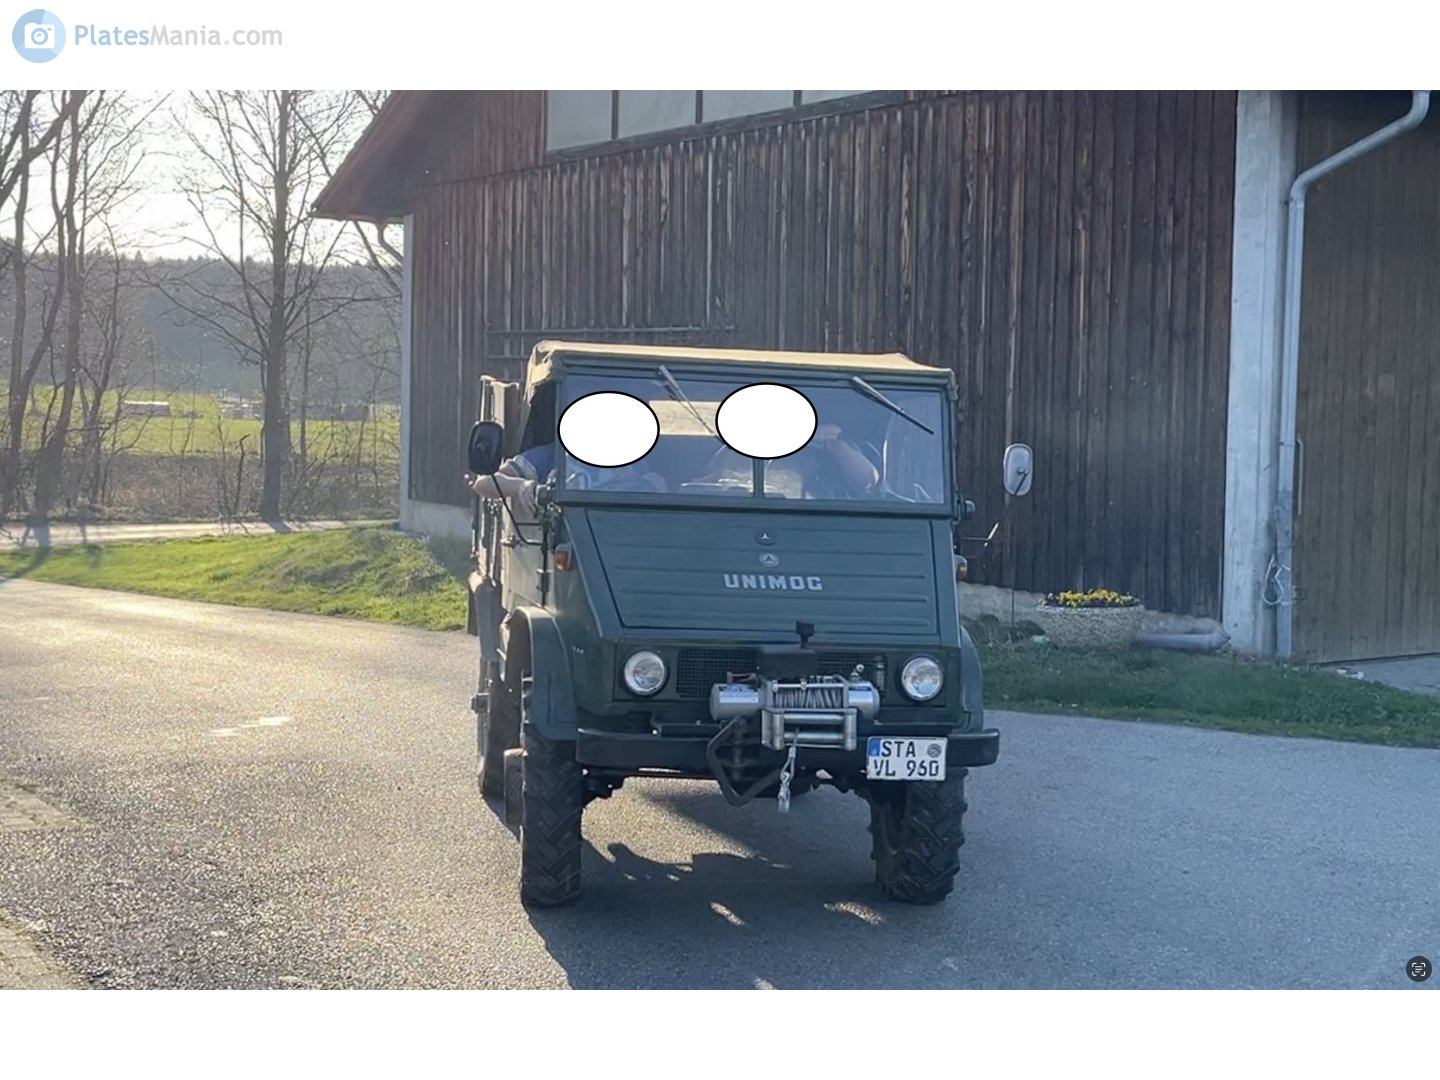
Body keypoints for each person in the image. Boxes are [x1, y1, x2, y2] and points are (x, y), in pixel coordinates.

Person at [694, 422, 880, 499]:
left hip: (810, 524)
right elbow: (710, 485)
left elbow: (866, 480)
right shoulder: (735, 450)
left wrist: (834, 444)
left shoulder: (826, 449)